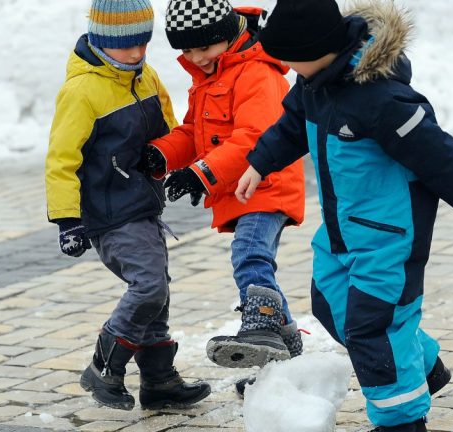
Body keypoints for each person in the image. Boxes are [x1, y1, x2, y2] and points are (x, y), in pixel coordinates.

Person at [234, 0, 453, 430]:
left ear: (316, 49)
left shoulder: (381, 97)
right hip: (341, 232)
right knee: (330, 305)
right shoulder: (312, 84)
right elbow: (290, 126)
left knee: (373, 328)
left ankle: (400, 421)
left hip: (389, 237)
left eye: (288, 58)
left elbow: (438, 153)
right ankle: (425, 367)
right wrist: (259, 163)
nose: (284, 66)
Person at [44, 0, 210, 411]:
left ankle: (159, 382)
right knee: (149, 287)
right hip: (110, 215)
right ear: (101, 40)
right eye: (126, 45)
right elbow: (61, 159)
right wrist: (68, 220)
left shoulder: (145, 76)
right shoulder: (81, 91)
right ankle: (104, 366)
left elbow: (169, 130)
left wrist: (181, 166)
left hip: (143, 206)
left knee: (158, 295)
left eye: (143, 43)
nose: (136, 53)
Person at [138, 0, 307, 379]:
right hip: (240, 188)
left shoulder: (256, 74)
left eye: (204, 47)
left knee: (249, 253)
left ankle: (262, 327)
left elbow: (254, 138)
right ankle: (287, 352)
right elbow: (194, 132)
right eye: (187, 50)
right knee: (253, 257)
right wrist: (162, 154)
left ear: (228, 35)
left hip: (267, 183)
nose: (196, 57)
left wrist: (202, 173)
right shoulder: (210, 78)